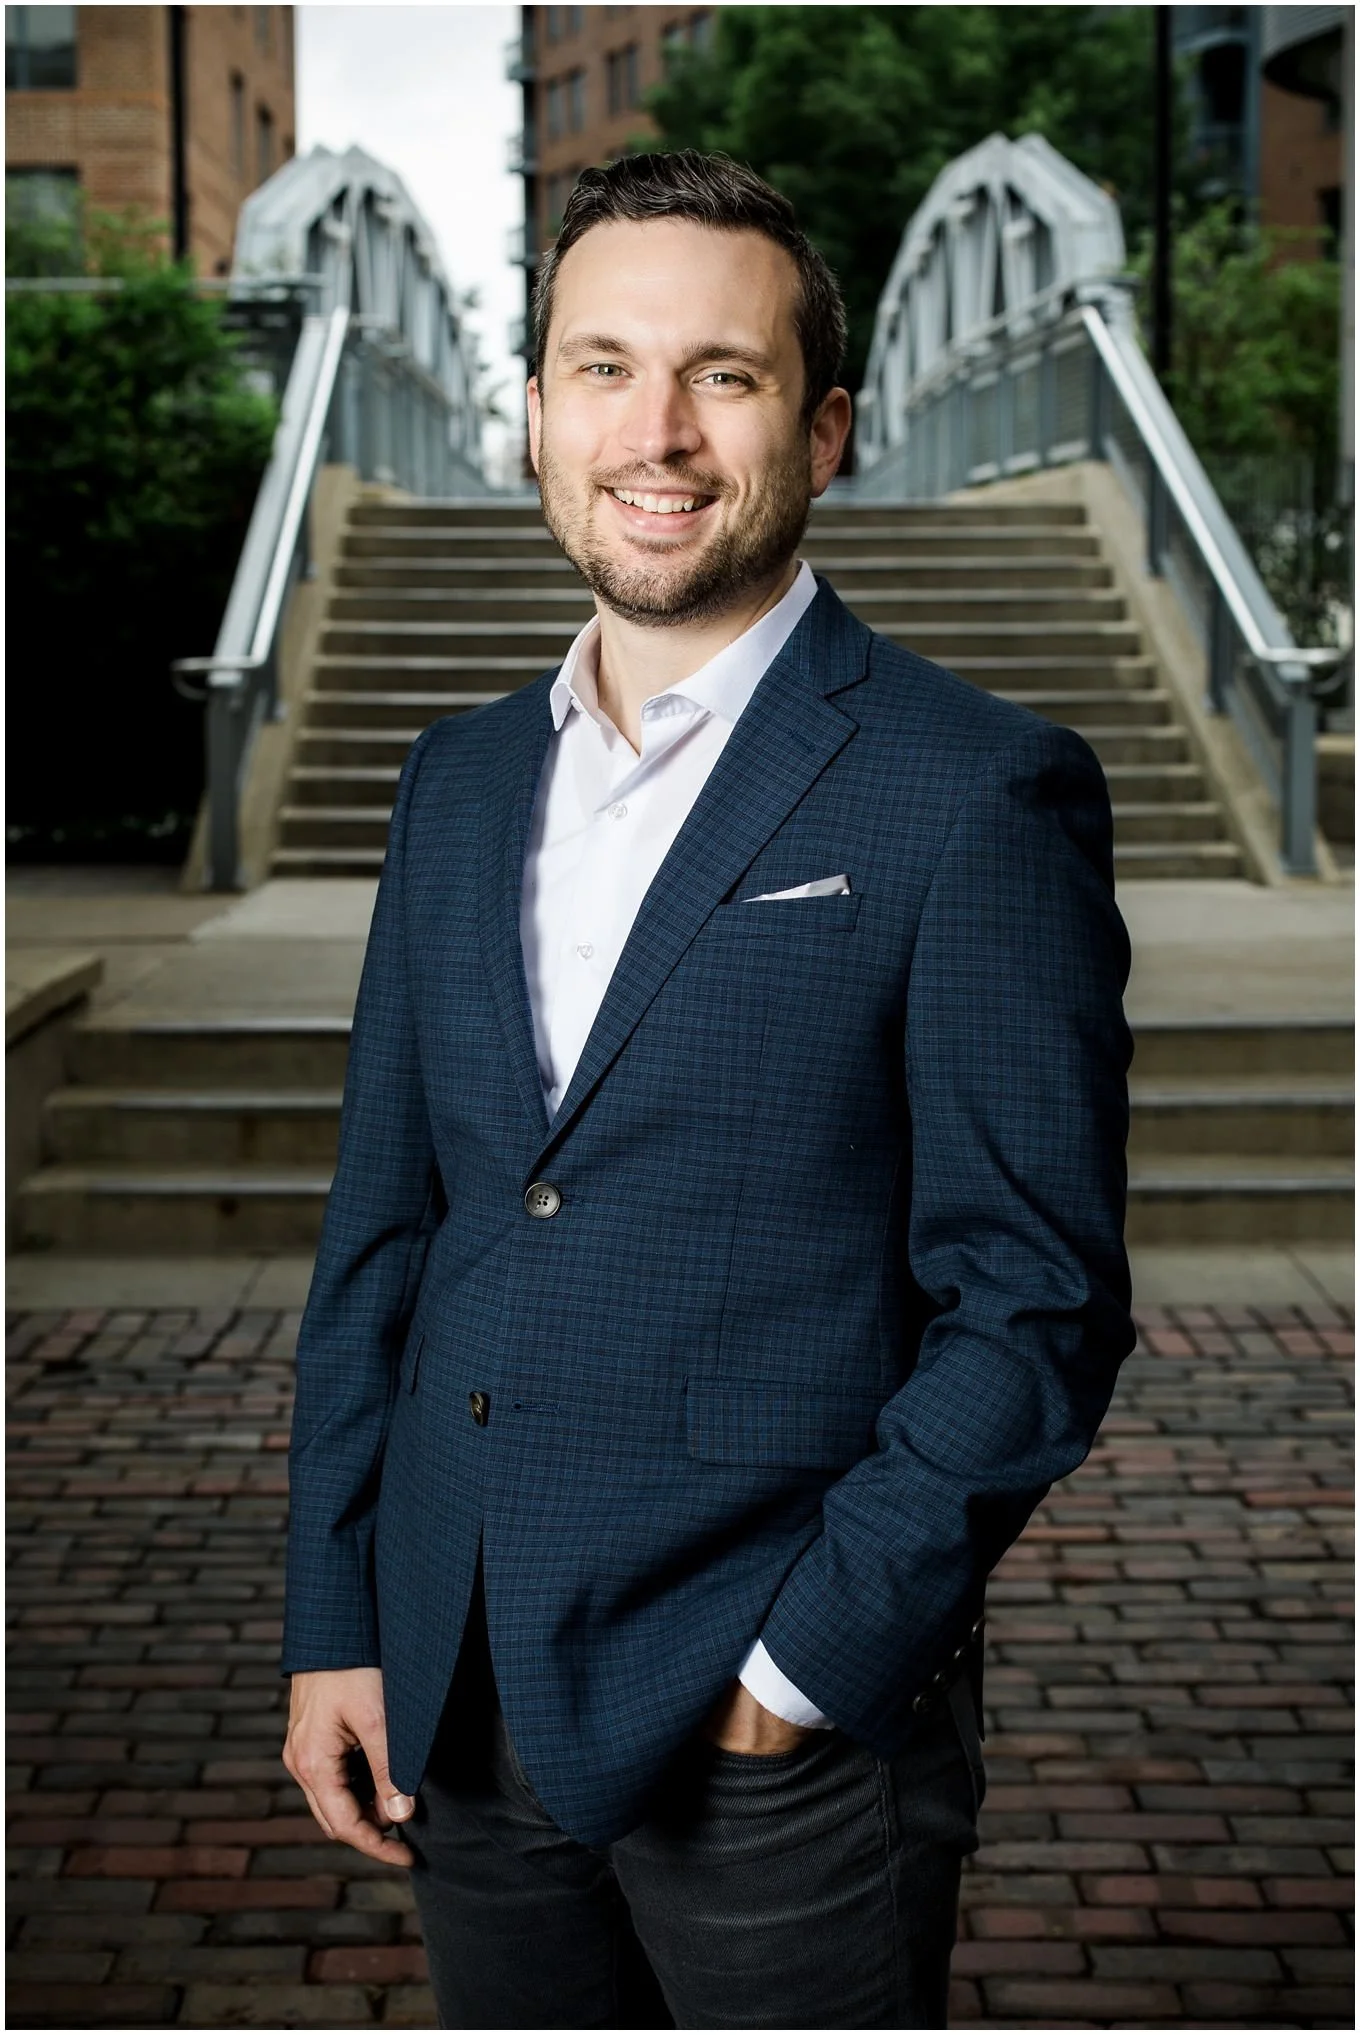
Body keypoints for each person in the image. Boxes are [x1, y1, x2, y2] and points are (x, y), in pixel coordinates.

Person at [281, 149, 1135, 2029]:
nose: (652, 431)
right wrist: (340, 1617)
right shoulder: (456, 780)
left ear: (825, 429)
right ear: (532, 415)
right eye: (600, 368)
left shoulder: (973, 789)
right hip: (464, 1681)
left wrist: (806, 1667)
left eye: (721, 377)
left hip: (777, 1738)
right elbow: (386, 1233)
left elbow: (1038, 1296)